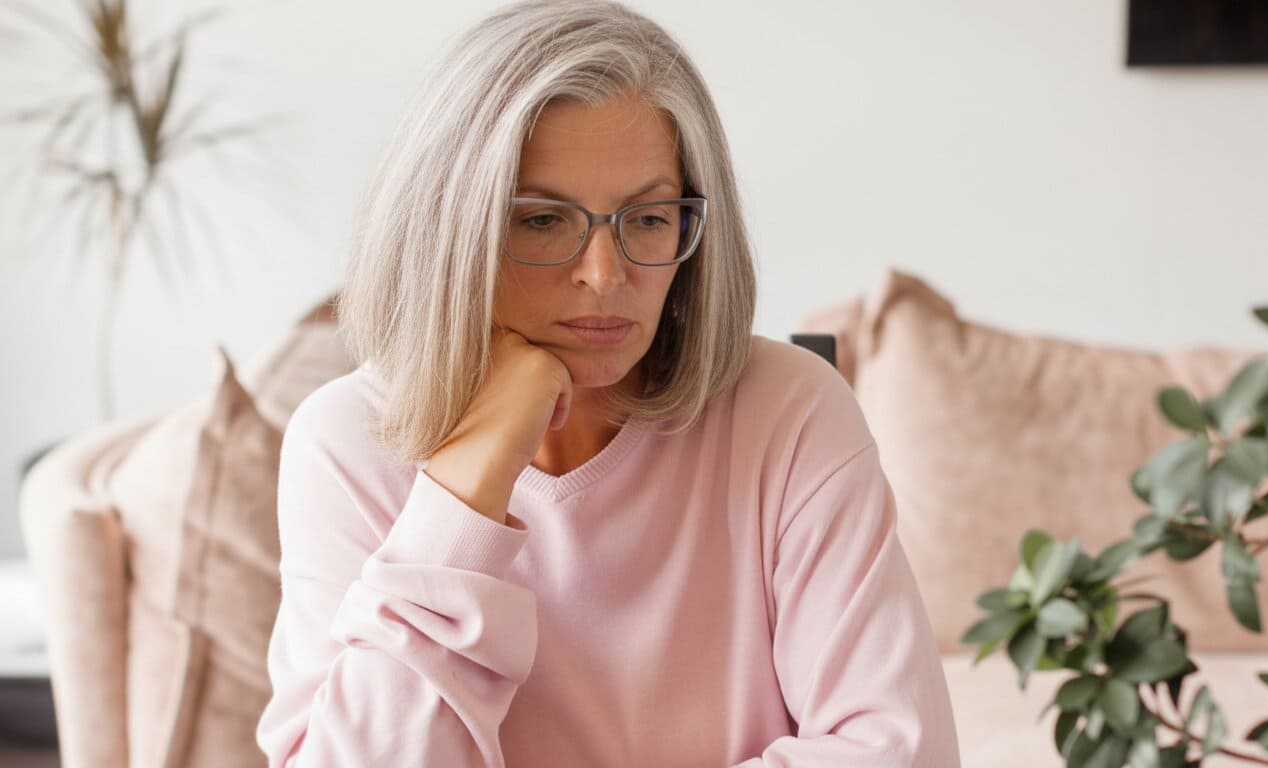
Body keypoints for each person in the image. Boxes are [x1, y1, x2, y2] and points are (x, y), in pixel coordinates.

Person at [254, 0, 961, 765]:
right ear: (452, 229)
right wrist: (464, 489)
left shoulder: (790, 412)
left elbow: (902, 751)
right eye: (542, 220)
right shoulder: (347, 440)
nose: (604, 274)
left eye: (649, 219)